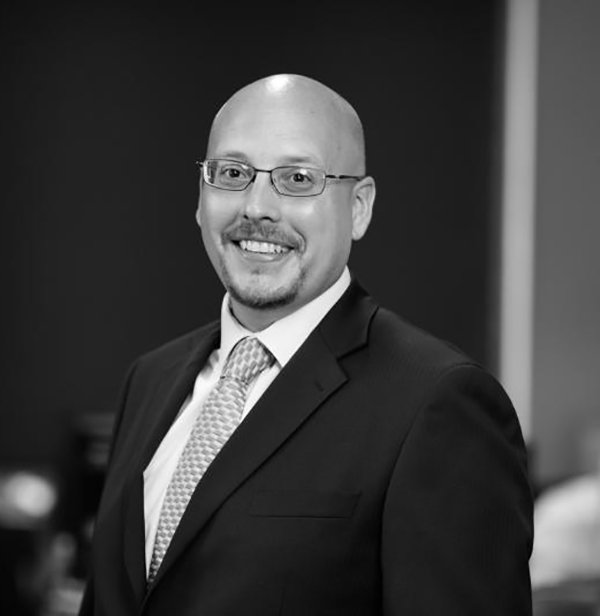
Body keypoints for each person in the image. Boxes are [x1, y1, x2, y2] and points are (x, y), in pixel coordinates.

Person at [79, 74, 533, 615]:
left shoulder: (438, 403)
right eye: (232, 173)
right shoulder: (151, 378)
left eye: (297, 178)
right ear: (200, 197)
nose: (257, 207)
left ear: (359, 207)